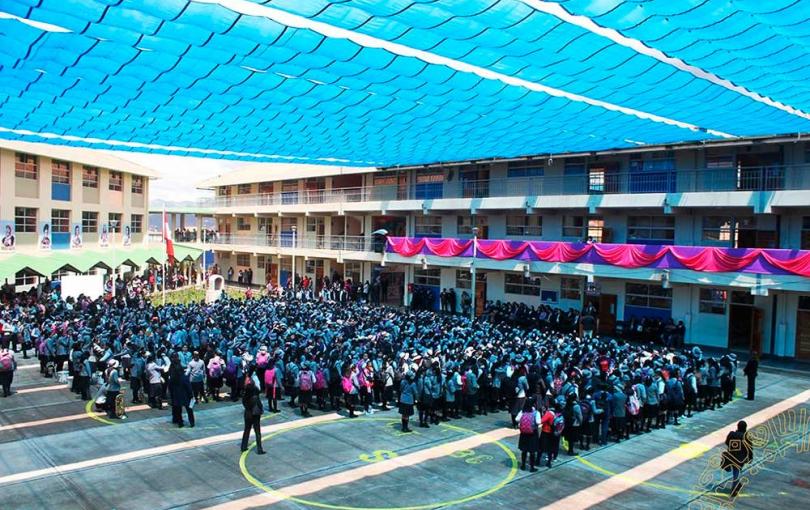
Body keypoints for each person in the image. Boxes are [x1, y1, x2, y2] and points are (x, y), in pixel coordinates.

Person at [723, 420, 752, 497]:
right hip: (740, 458)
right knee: (736, 472)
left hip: (731, 456)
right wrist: (750, 458)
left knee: (736, 471)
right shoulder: (746, 437)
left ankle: (737, 484)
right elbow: (749, 449)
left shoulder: (731, 434)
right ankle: (734, 488)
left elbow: (726, 442)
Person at [241, 369, 266, 454]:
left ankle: (243, 446)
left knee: (247, 430)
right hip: (255, 414)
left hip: (247, 413)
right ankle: (259, 449)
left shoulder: (245, 395)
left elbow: (244, 403)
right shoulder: (256, 394)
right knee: (257, 432)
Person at [168, 357, 195, 427]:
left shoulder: (172, 379)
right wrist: (191, 395)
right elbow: (189, 387)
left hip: (177, 396)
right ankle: (192, 422)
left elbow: (170, 388)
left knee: (178, 411)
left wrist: (172, 396)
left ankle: (180, 423)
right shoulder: (184, 378)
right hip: (185, 396)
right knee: (189, 410)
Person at [516, 398, 541, 472]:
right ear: (534, 404)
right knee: (532, 451)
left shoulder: (522, 411)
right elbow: (538, 422)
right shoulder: (536, 412)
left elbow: (517, 419)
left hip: (524, 433)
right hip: (532, 434)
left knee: (524, 450)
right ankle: (532, 467)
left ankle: (523, 465)